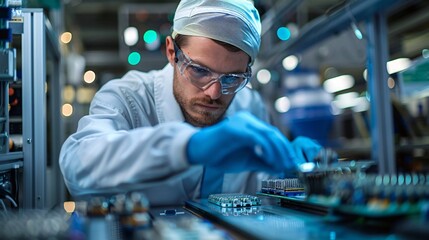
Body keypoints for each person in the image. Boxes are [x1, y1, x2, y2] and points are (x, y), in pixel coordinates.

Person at [59, 0, 322, 206]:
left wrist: (292, 171)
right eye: (199, 71)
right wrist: (186, 147)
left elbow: (260, 189)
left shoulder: (249, 106)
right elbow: (77, 167)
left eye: (232, 78)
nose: (214, 92)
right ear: (172, 52)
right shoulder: (128, 98)